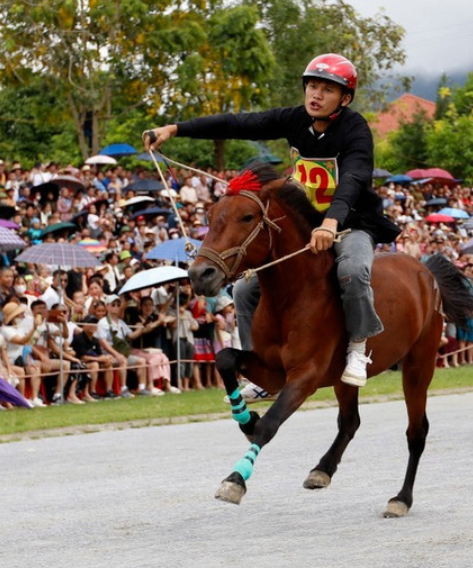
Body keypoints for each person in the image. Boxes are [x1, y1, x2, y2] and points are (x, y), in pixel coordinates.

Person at [144, 53, 400, 395]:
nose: (316, 94)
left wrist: (331, 222)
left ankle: (357, 348)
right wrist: (175, 129)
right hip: (308, 226)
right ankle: (262, 369)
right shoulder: (294, 119)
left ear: (345, 99)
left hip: (351, 223)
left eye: (327, 89)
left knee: (352, 271)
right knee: (244, 290)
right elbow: (237, 124)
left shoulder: (356, 130)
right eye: (312, 86)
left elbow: (353, 178)